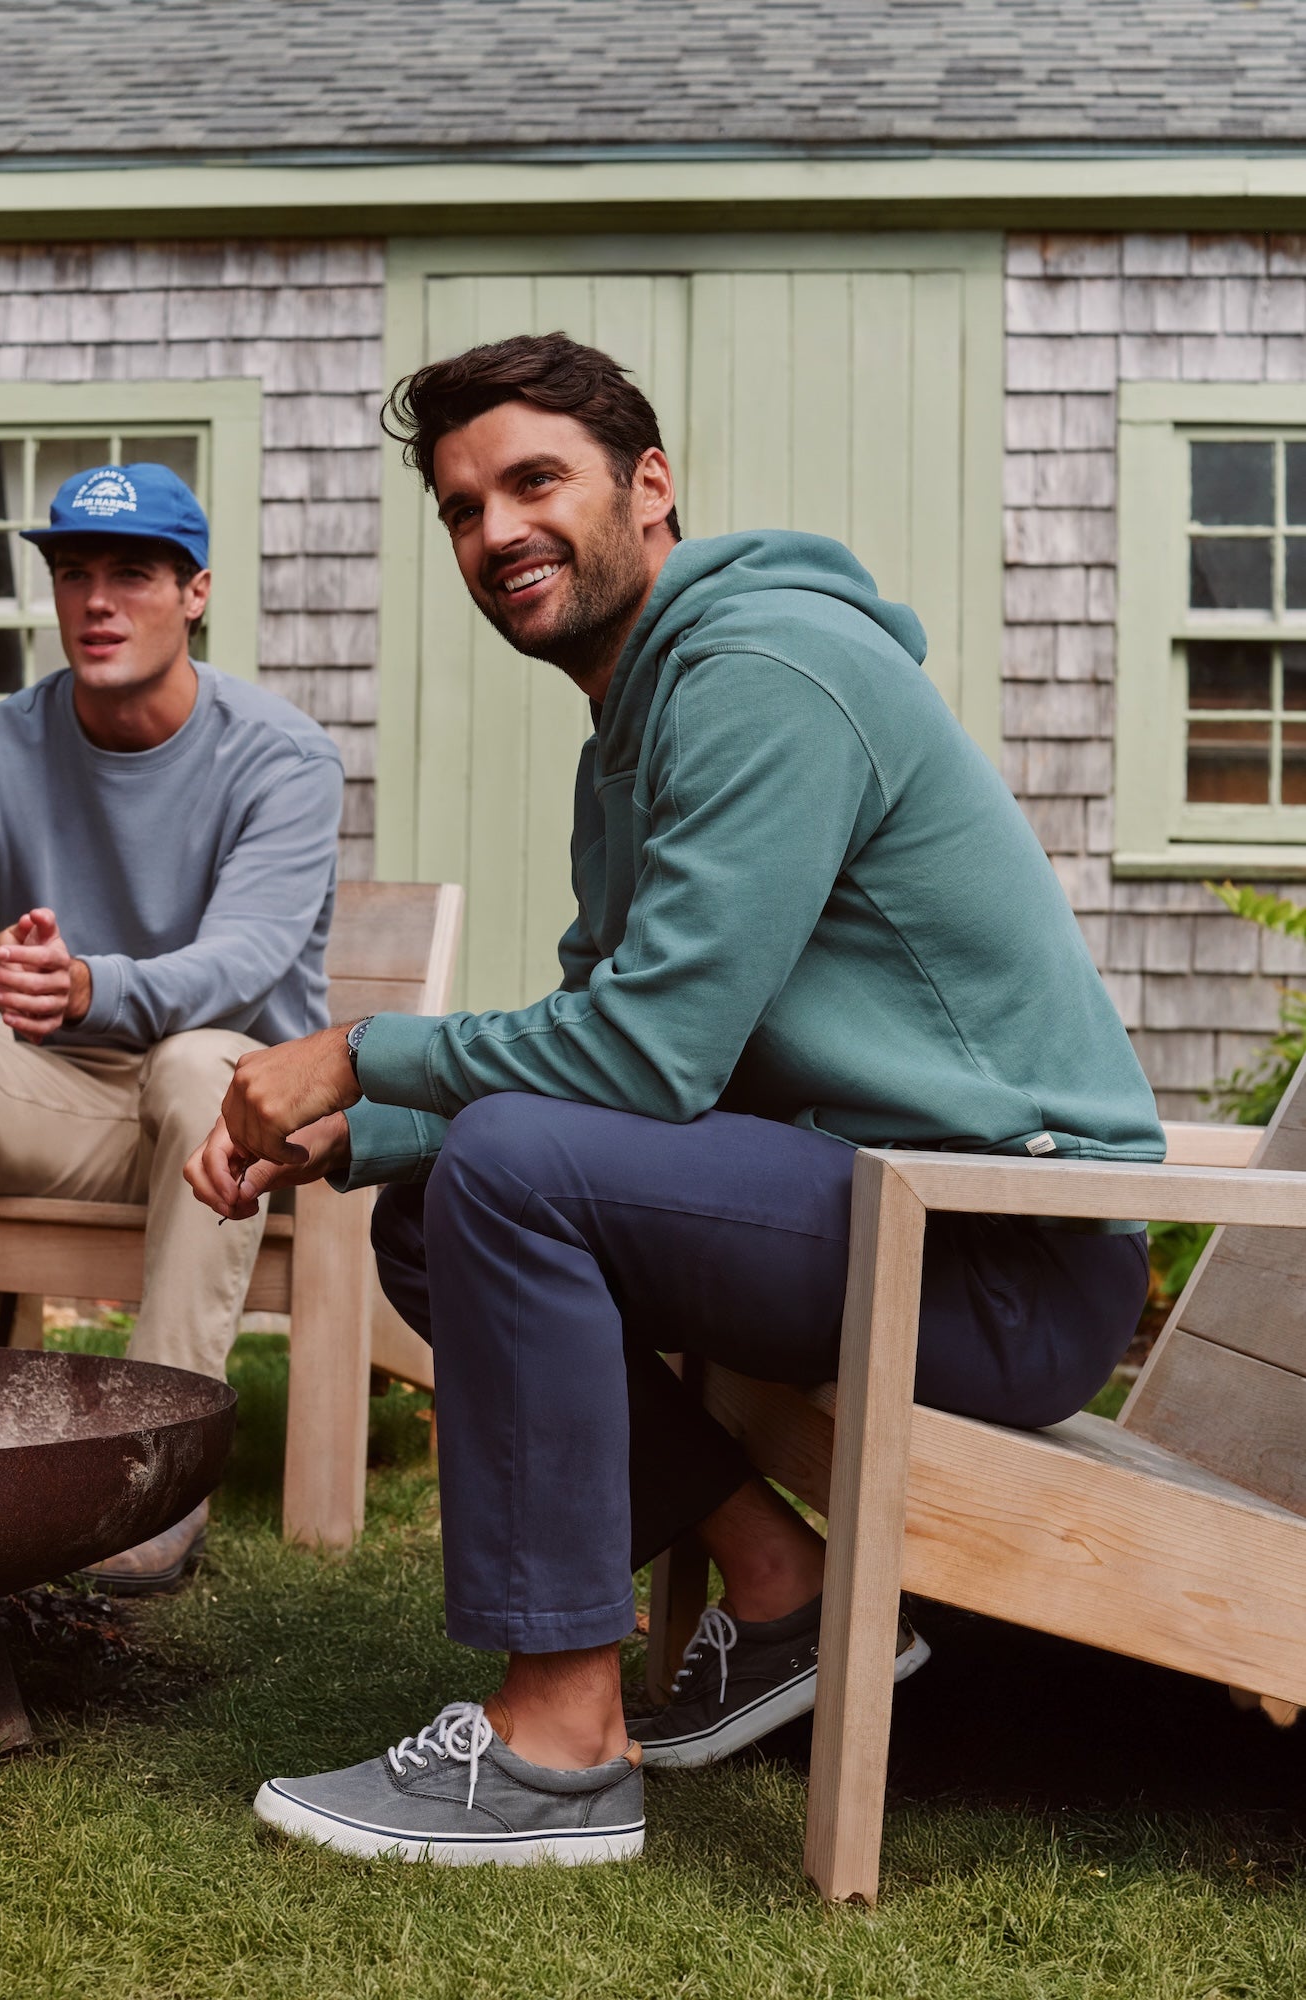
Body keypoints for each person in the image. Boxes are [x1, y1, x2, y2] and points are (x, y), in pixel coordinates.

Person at [186, 334, 1162, 1864]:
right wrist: (360, 1138)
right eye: (459, 507)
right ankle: (782, 1596)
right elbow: (605, 1044)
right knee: (439, 1210)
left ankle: (558, 1751)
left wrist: (361, 1053)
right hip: (877, 1204)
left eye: (532, 481)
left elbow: (648, 1063)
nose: (494, 530)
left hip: (999, 1251)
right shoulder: (636, 724)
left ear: (650, 489)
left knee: (508, 1164)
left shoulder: (764, 669)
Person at [0, 461, 342, 1591]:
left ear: (195, 590)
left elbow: (243, 967)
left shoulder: (282, 757)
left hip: (229, 1128)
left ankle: (152, 1477)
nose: (98, 600)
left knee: (207, 1058)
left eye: (133, 572)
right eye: (73, 571)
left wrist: (91, 986)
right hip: (56, 1104)